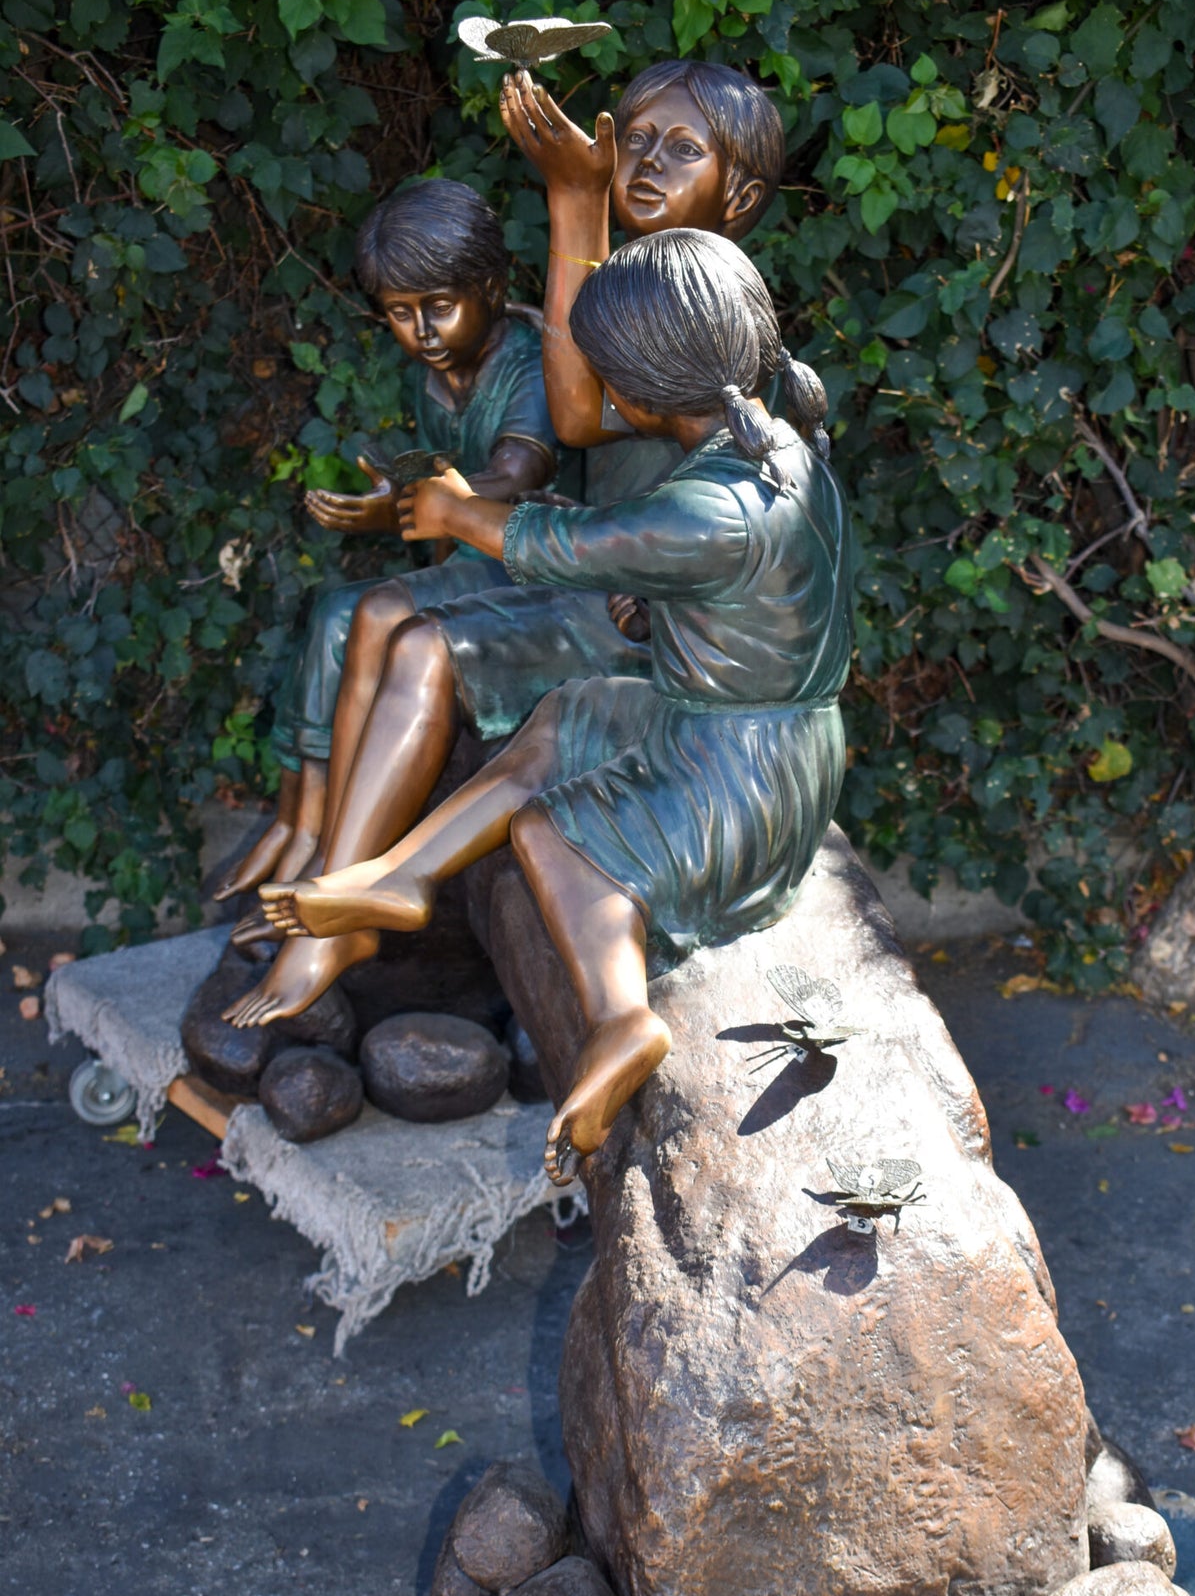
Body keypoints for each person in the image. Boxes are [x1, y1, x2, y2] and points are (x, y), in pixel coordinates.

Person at [247, 231, 853, 1187]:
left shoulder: (711, 509)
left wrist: (455, 514)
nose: (597, 397)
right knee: (563, 717)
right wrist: (655, 602)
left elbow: (567, 545)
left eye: (606, 377)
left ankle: (620, 1019)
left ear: (647, 392)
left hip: (742, 771)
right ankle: (400, 876)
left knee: (551, 832)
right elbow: (770, 587)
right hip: (731, 717)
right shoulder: (777, 447)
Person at [223, 62, 787, 1011]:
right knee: (389, 619)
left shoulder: (712, 303)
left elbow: (583, 419)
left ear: (739, 191)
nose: (644, 164)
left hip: (644, 610)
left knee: (426, 644)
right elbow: (579, 413)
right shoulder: (642, 282)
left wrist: (574, 199)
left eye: (680, 150)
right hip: (587, 561)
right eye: (635, 141)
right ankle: (341, 882)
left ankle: (347, 907)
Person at [213, 179, 559, 901]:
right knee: (336, 612)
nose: (422, 333)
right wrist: (403, 506)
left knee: (368, 615)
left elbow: (514, 474)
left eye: (439, 307)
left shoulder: (526, 362)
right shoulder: (433, 379)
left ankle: (337, 853)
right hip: (472, 558)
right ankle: (302, 821)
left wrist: (411, 504)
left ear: (491, 287)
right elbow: (439, 499)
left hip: (531, 565)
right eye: (400, 314)